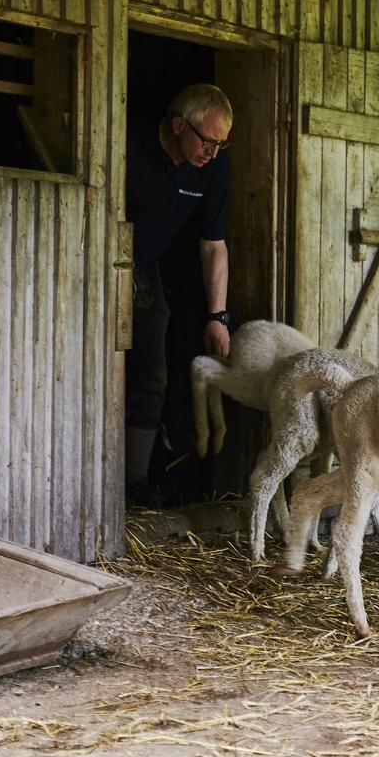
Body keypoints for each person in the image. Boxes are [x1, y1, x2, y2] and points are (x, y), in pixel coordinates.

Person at [125, 83, 233, 503]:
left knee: (150, 366)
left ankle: (135, 483)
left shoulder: (212, 169)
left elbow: (213, 244)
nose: (213, 153)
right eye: (208, 141)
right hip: (90, 258)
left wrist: (217, 316)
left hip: (144, 268)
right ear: (176, 125)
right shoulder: (128, 144)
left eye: (222, 144)